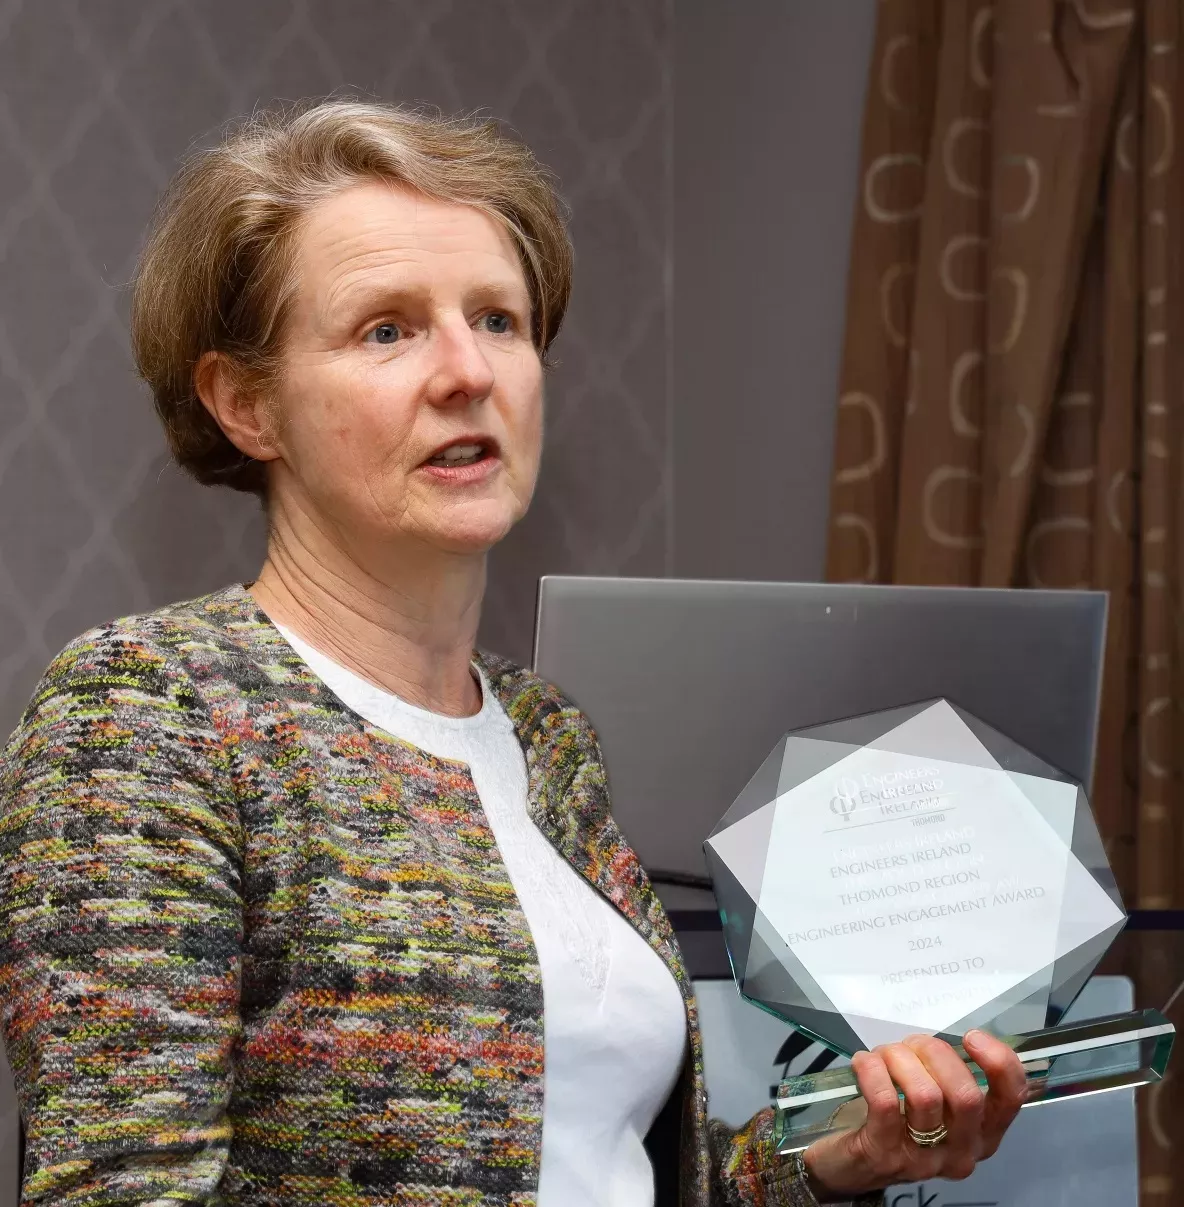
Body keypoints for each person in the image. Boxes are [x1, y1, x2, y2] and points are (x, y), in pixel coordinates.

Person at [0, 100, 1026, 1207]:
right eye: (385, 329)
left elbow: (596, 1174)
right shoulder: (153, 714)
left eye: (496, 319)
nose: (465, 371)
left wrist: (829, 1163)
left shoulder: (546, 732)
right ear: (247, 404)